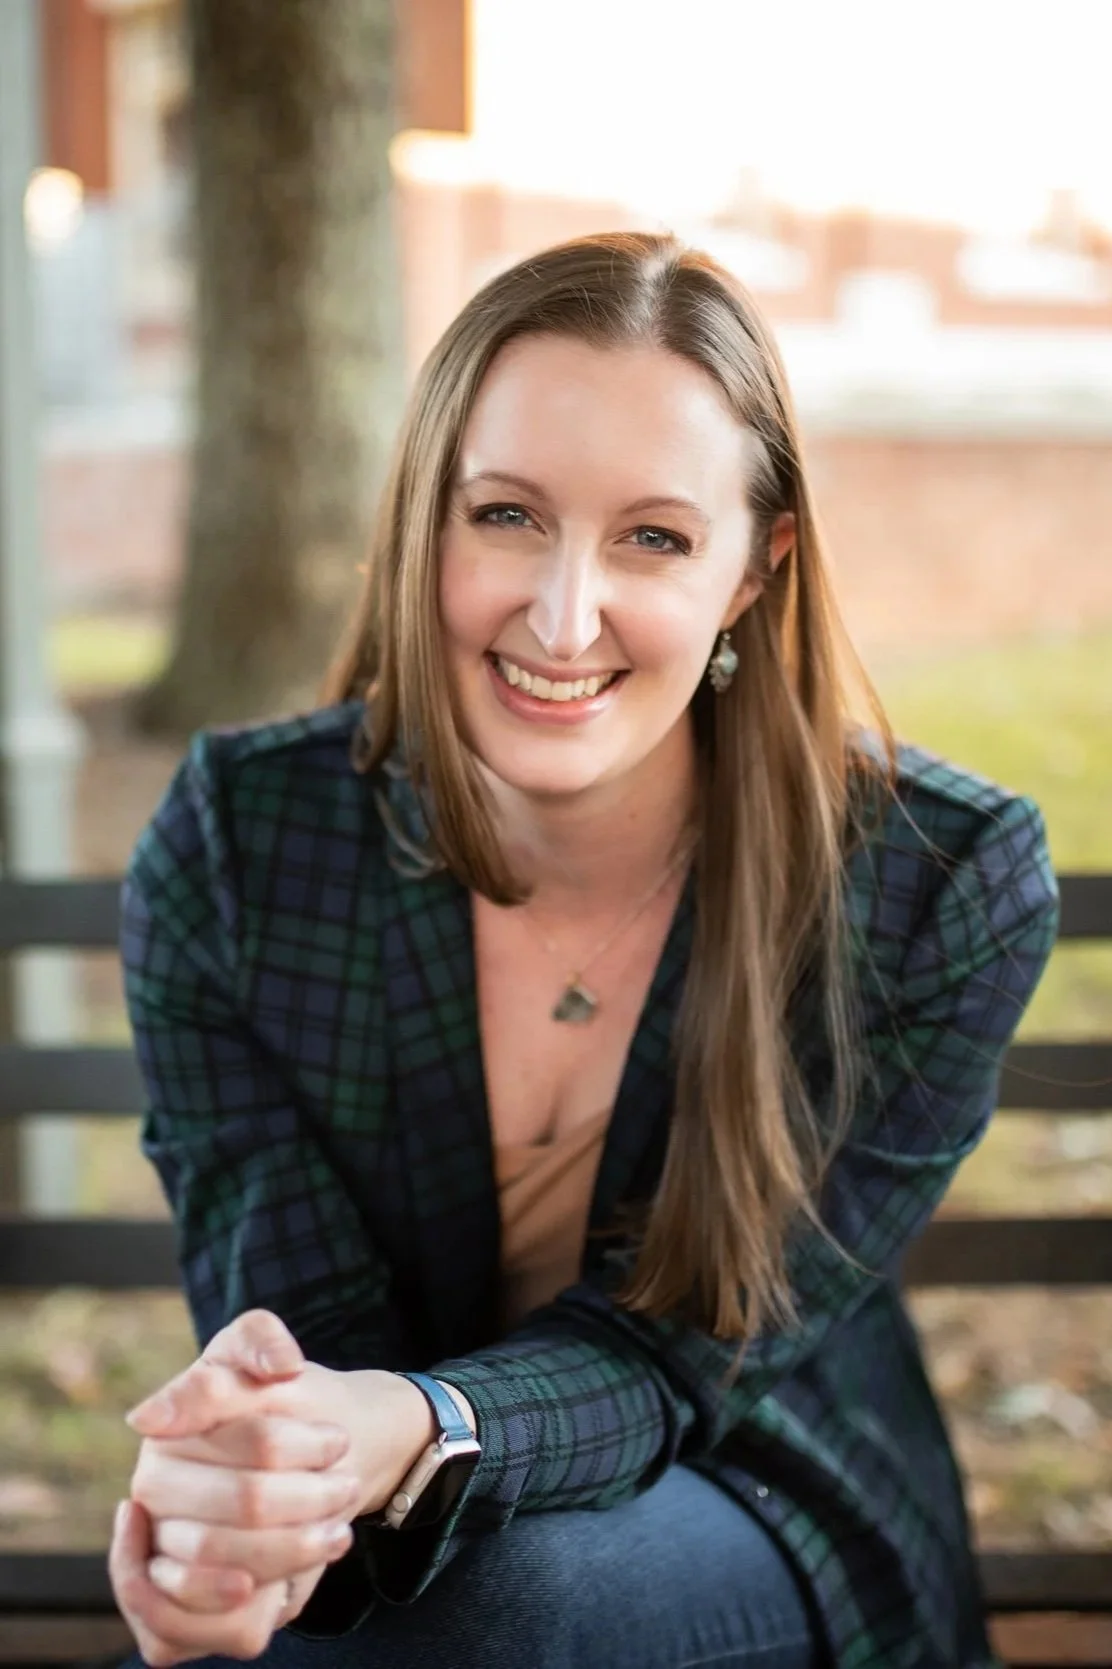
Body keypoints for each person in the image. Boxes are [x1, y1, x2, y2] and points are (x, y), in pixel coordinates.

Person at [109, 232, 1058, 1669]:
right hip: (388, 1545)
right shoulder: (246, 846)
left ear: (754, 572)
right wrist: (241, 1522)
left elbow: (689, 1354)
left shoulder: (932, 886)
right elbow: (297, 1324)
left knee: (496, 1600)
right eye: (506, 515)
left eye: (654, 539)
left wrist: (411, 1429)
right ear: (426, 515)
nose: (562, 618)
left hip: (755, 1496)